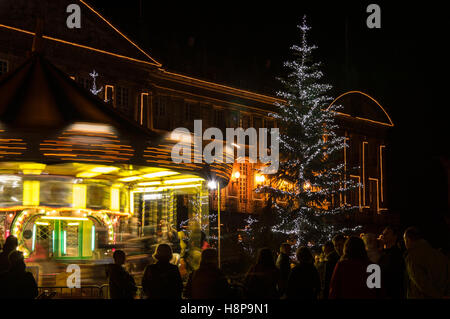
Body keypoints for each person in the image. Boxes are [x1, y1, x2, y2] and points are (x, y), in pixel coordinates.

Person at [403, 227, 450, 299]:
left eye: (404, 240)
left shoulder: (412, 257)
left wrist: (438, 296)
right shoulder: (439, 255)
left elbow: (421, 282)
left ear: (408, 239)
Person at [378, 225, 405, 299]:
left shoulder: (397, 255)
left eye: (386, 233)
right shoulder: (381, 254)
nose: (383, 236)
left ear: (394, 237)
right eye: (383, 233)